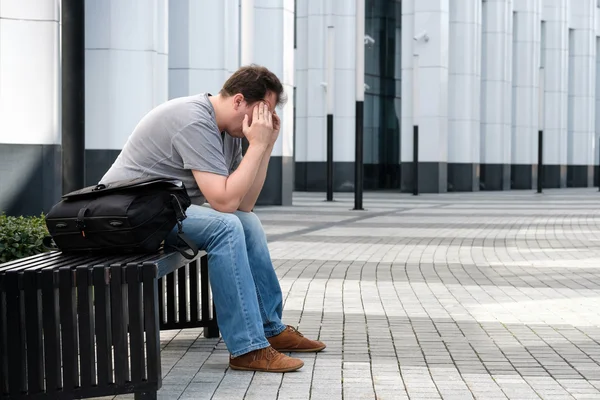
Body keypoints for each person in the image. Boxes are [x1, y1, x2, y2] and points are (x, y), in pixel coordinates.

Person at [99, 65, 325, 373]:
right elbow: (223, 202)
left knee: (248, 223)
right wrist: (257, 145)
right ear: (238, 101)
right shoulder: (194, 119)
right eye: (262, 112)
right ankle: (247, 348)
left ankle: (270, 327)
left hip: (161, 211)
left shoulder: (229, 131)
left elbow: (244, 205)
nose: (263, 121)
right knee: (226, 227)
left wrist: (266, 146)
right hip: (130, 217)